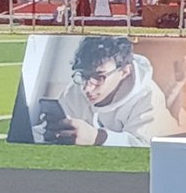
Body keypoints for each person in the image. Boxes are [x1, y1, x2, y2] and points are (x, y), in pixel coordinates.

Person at [33, 35, 173, 147]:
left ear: (125, 71)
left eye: (99, 77)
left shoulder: (149, 98)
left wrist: (98, 138)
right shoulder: (75, 90)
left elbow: (147, 152)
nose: (87, 88)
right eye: (84, 75)